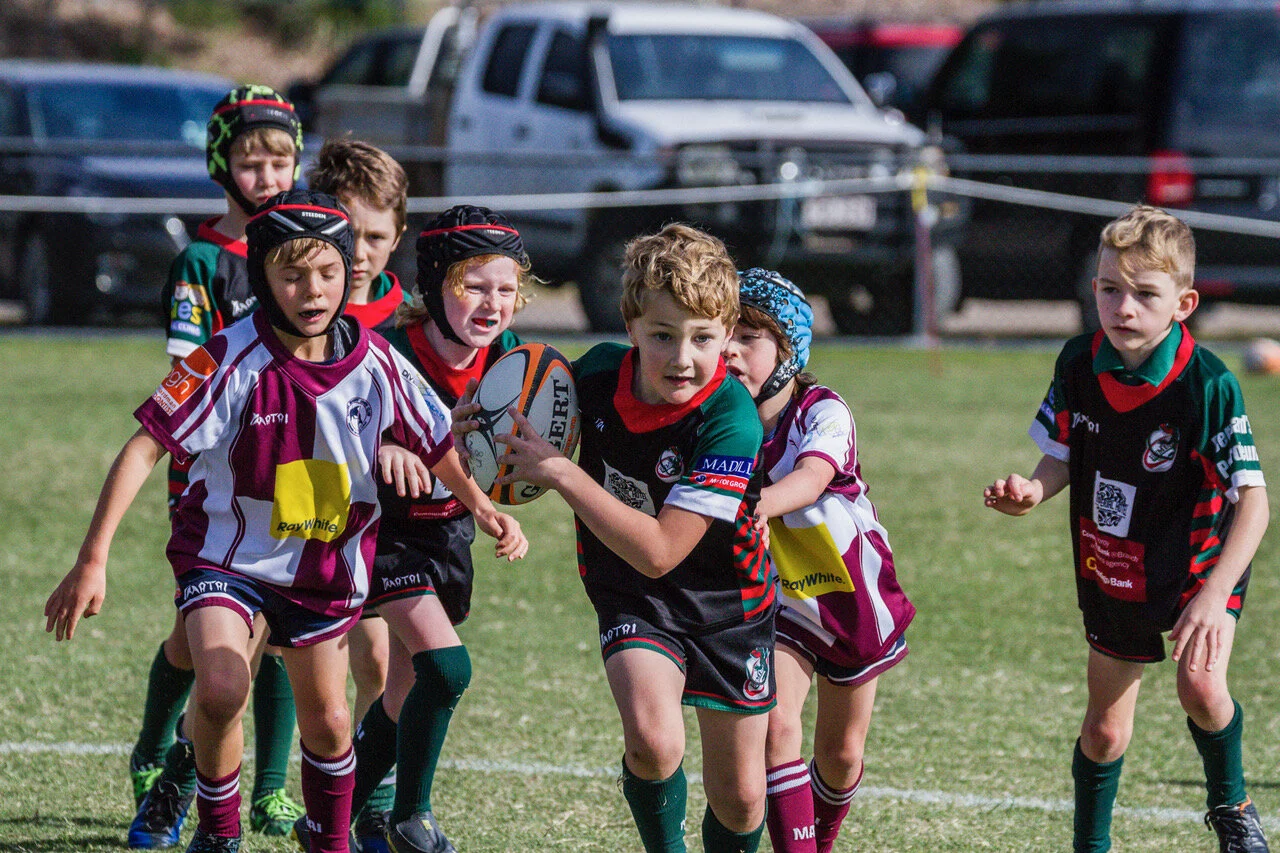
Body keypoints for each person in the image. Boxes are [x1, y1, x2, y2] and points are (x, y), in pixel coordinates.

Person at [45, 189, 527, 853]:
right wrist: (92, 558)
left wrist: (483, 506)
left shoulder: (377, 363)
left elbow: (436, 441)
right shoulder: (226, 356)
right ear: (265, 277)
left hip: (325, 568)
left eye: (328, 272)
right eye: (291, 274)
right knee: (220, 685)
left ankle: (328, 839)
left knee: (330, 722)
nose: (312, 289)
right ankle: (218, 831)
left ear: (347, 272)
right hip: (226, 558)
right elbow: (145, 445)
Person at [465, 223, 776, 853]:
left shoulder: (731, 422)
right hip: (630, 590)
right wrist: (475, 421)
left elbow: (662, 551)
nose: (682, 358)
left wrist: (560, 472)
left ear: (726, 338)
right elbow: (517, 388)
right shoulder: (598, 374)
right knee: (653, 741)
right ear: (630, 326)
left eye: (703, 338)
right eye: (662, 336)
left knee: (741, 800)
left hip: (729, 606)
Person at [983, 205, 1270, 853]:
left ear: (1184, 302)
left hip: (1201, 558)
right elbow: (1058, 452)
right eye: (1111, 289)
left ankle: (1232, 804)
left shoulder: (1209, 384)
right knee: (1106, 729)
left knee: (1200, 687)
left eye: (1145, 293)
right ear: (1095, 290)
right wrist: (1032, 489)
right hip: (1113, 556)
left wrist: (1214, 598)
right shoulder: (1077, 363)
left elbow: (1254, 501)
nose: (1124, 307)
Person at [294, 204, 533, 853]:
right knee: (448, 669)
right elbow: (325, 432)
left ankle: (325, 816)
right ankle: (410, 815)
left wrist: (510, 489)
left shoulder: (513, 361)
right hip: (383, 534)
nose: (493, 302)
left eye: (506, 287)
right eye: (474, 285)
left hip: (449, 535)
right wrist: (381, 452)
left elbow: (516, 448)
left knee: (403, 693)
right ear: (434, 284)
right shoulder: (389, 354)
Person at [130, 83, 308, 849]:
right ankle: (157, 751)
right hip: (216, 477)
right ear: (220, 162)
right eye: (250, 159)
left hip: (307, 470)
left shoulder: (310, 246)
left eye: (280, 159)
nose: (267, 174)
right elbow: (185, 378)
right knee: (200, 636)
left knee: (288, 628)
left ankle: (268, 790)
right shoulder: (203, 261)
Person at [721, 269, 915, 853]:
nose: (728, 348)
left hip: (849, 594)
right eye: (721, 332)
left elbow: (810, 478)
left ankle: (822, 839)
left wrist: (755, 506)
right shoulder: (718, 417)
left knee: (840, 753)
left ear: (789, 350)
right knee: (777, 727)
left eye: (748, 337)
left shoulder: (823, 410)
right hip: (776, 597)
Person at [305, 138, 414, 850]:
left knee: (374, 660)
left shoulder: (412, 323)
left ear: (398, 235)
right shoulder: (302, 308)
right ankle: (189, 765)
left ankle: (370, 799)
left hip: (385, 517)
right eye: (349, 234)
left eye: (377, 236)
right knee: (260, 654)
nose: (364, 251)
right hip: (306, 491)